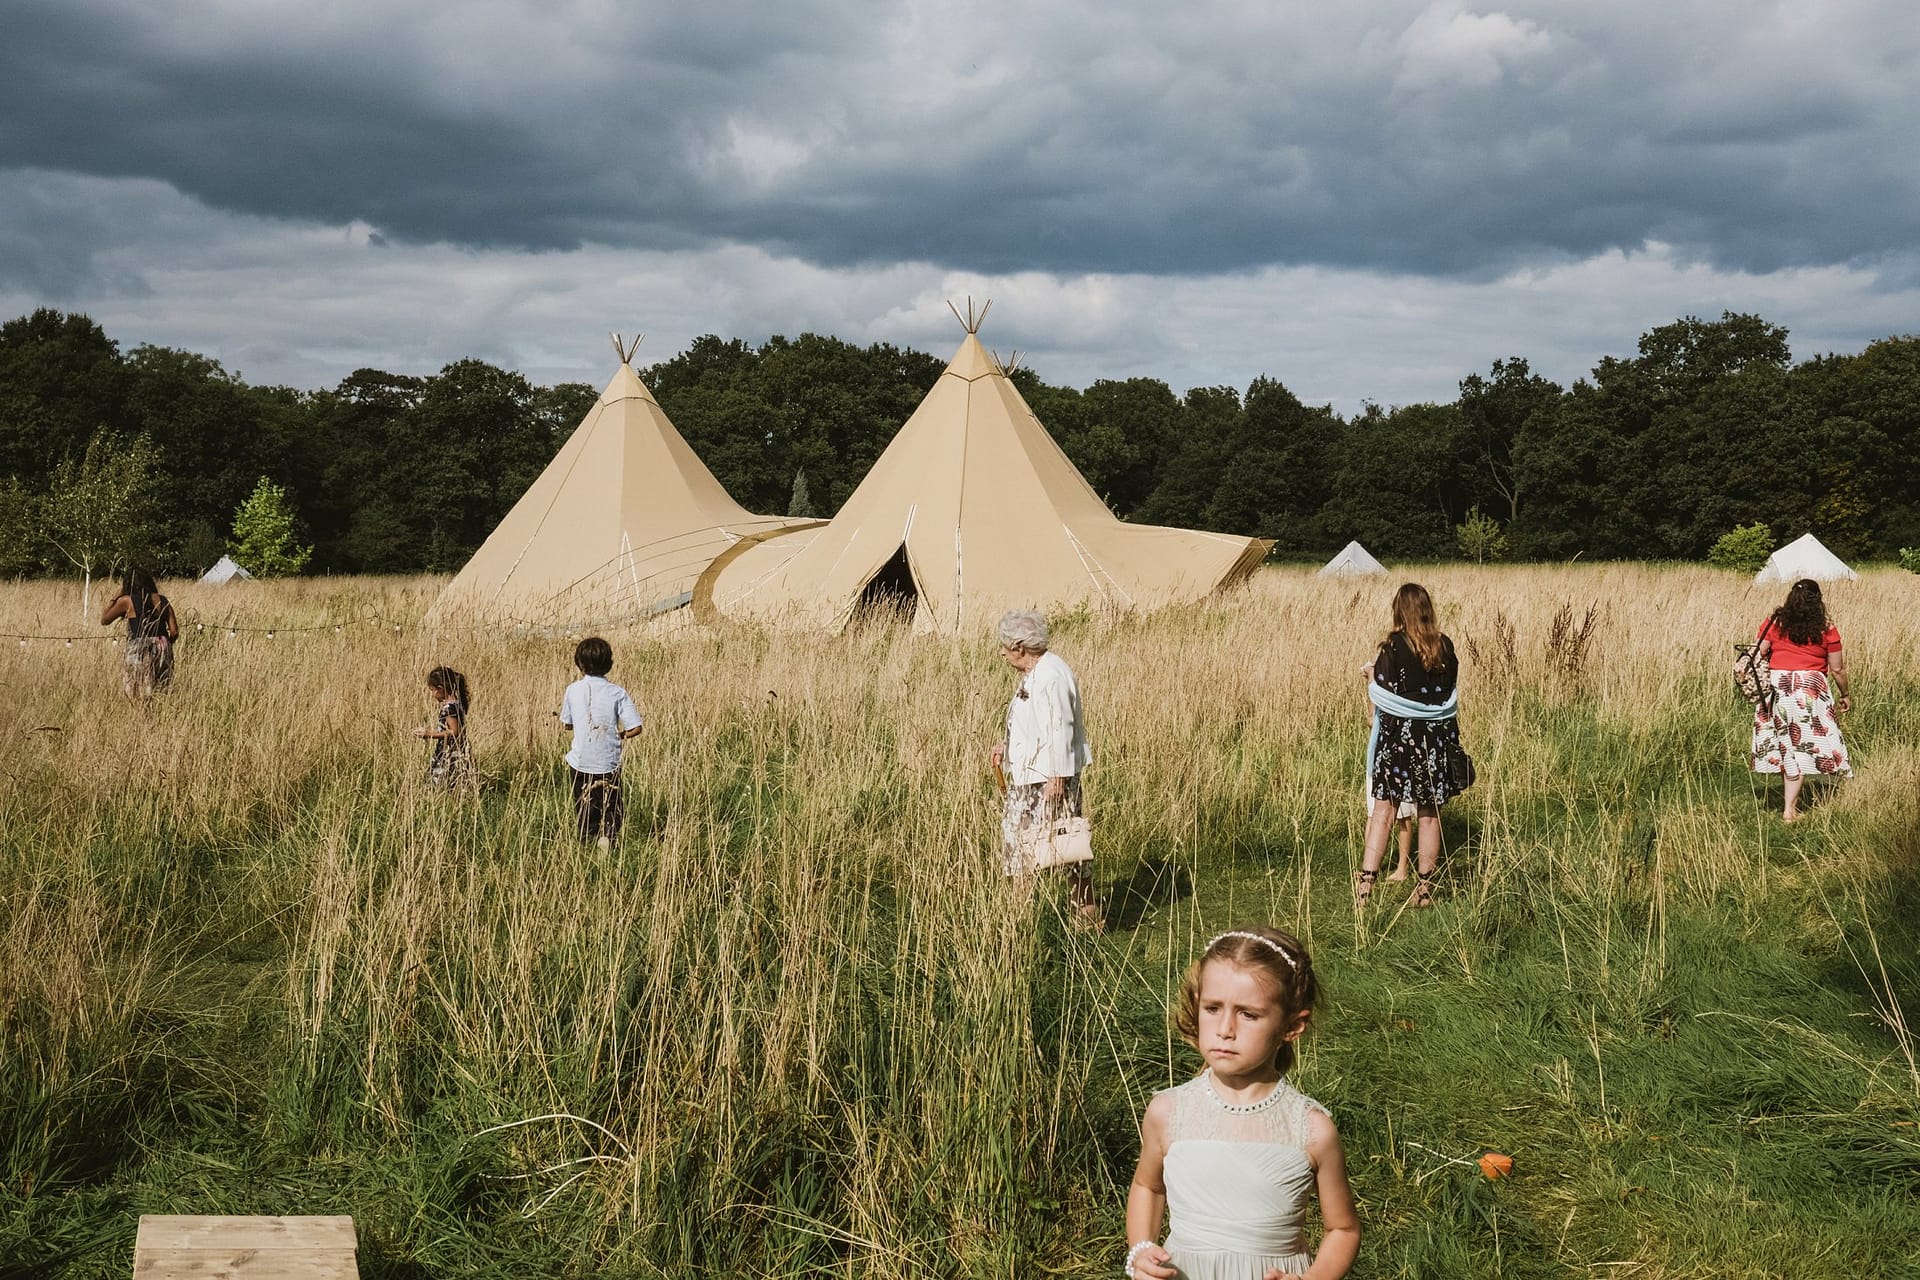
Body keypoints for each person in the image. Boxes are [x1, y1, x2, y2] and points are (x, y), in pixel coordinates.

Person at [1125, 927, 1360, 1280]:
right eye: (1213, 1008)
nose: (1225, 1029)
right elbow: (1148, 1186)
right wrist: (1141, 1250)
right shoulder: (1168, 1111)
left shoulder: (1310, 1130)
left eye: (1248, 1014)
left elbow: (1343, 1230)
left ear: (1292, 1026)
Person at [1356, 583, 1463, 909]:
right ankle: (1425, 891)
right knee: (1429, 814)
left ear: (1399, 610)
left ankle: (1364, 890)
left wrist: (1372, 679)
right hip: (1434, 741)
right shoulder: (1444, 646)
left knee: (1383, 813)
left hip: (1399, 741)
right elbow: (1446, 693)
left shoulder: (1392, 647)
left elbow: (1385, 697)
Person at [990, 609, 1099, 926]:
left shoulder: (1050, 675)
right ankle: (1081, 913)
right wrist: (1006, 748)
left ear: (1021, 647)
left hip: (1045, 780)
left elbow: (1060, 728)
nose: (1002, 652)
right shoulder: (1036, 673)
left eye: (1005, 646)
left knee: (1049, 844)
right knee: (1060, 844)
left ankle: (1021, 919)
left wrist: (1057, 778)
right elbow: (1035, 726)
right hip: (1036, 775)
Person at [1750, 577, 1852, 821]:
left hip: (1777, 687)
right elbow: (1837, 669)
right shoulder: (1826, 627)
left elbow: (1758, 651)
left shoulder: (1775, 622)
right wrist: (1845, 694)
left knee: (1784, 744)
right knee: (1801, 747)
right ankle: (1790, 810)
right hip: (1810, 690)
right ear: (1818, 601)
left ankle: (1789, 805)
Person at [560, 636, 643, 849]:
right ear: (609, 664)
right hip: (609, 762)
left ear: (579, 664)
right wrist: (621, 735)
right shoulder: (618, 692)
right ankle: (608, 841)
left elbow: (566, 724)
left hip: (580, 762)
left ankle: (587, 842)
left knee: (584, 808)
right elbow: (636, 728)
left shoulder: (573, 690)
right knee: (612, 808)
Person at [99, 566, 179, 698]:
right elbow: (174, 631)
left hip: (139, 647)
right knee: (161, 692)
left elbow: (104, 620)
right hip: (163, 645)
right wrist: (165, 643)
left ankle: (142, 718)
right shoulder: (163, 600)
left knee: (138, 694)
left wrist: (115, 597)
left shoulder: (127, 601)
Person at [415, 666, 474, 789]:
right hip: (457, 750)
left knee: (440, 783)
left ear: (440, 689)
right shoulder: (457, 704)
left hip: (450, 752)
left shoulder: (449, 708)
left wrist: (428, 734)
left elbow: (454, 732)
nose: (432, 694)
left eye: (432, 690)